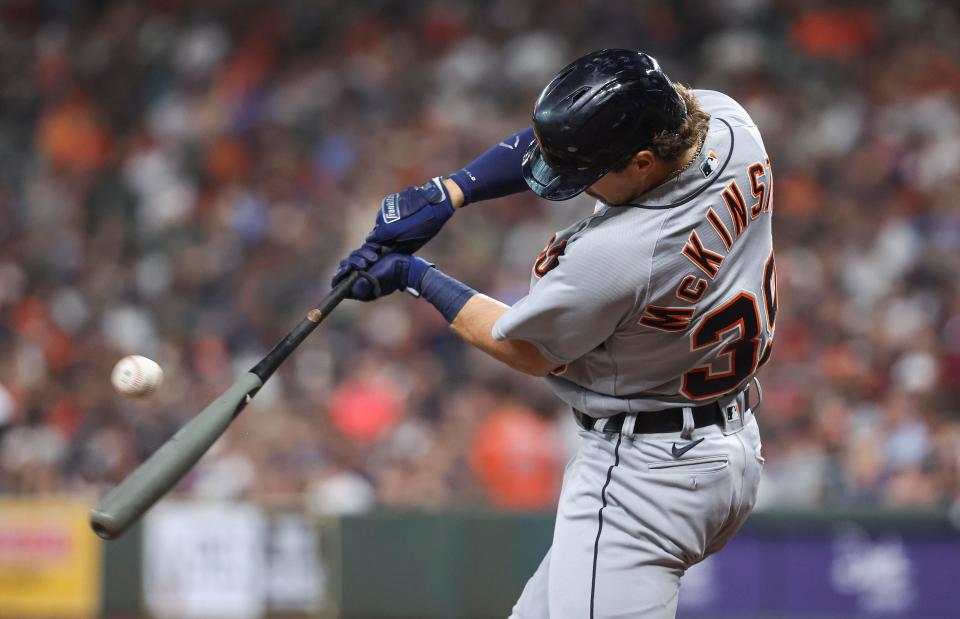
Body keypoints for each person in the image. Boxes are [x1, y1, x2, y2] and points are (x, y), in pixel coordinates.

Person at [332, 48, 774, 619]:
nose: (581, 185)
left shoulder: (621, 253)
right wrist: (454, 190)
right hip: (726, 439)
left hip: (644, 476)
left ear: (643, 162)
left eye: (592, 175)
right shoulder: (733, 129)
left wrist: (415, 275)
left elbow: (524, 347)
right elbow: (593, 128)